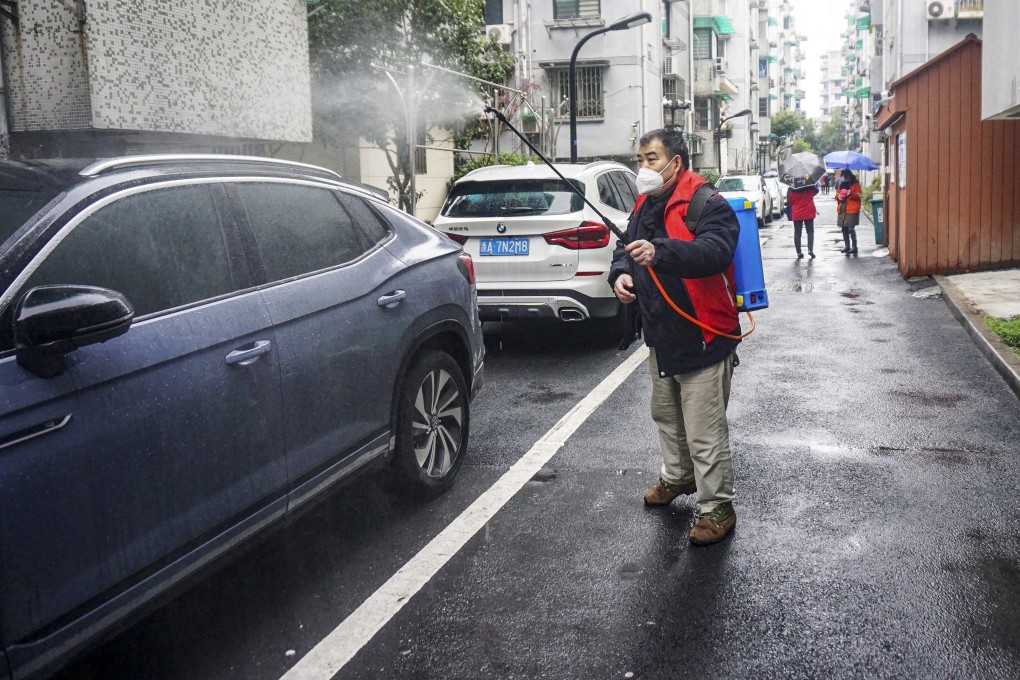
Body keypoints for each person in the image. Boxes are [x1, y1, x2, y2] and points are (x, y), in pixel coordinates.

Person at [608, 128, 741, 546]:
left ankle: (718, 506)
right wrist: (621, 273)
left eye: (651, 158)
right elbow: (625, 248)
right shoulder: (644, 203)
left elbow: (715, 251)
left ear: (676, 162)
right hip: (660, 332)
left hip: (703, 332)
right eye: (639, 160)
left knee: (704, 429)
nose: (643, 167)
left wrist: (659, 252)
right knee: (666, 415)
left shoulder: (708, 202)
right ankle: (679, 476)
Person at [787, 180, 819, 259]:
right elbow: (816, 191)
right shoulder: (808, 186)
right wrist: (811, 184)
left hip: (797, 212)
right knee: (810, 232)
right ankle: (810, 250)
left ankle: (798, 252)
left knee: (797, 233)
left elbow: (789, 202)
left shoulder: (791, 189)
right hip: (808, 211)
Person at [835, 169, 863, 255]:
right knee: (844, 228)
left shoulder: (856, 184)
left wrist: (851, 193)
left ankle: (854, 247)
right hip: (842, 209)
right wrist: (839, 196)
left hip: (852, 209)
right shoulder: (841, 184)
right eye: (843, 175)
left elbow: (859, 195)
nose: (845, 177)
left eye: (846, 175)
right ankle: (847, 246)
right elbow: (836, 196)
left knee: (851, 228)